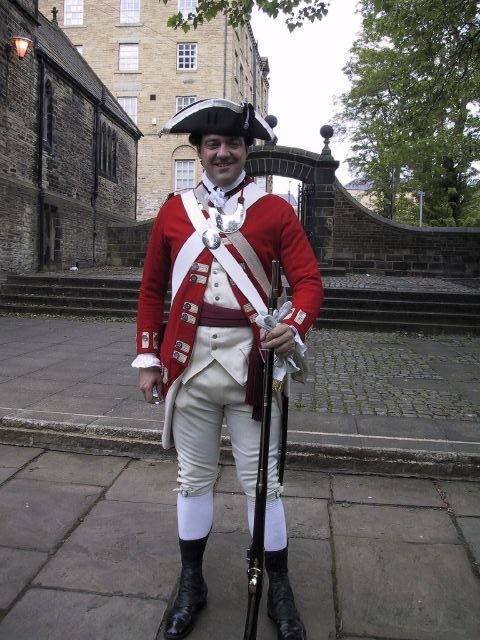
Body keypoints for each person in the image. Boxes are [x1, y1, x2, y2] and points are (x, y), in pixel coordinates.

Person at [133, 98, 323, 640]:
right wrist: (148, 359)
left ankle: (277, 586)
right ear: (198, 152)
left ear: (247, 151)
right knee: (191, 480)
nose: (222, 152)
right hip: (188, 365)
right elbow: (151, 289)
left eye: (233, 144)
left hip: (253, 368)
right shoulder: (174, 210)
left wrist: (296, 324)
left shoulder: (274, 211)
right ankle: (191, 583)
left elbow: (309, 282)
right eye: (212, 144)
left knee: (263, 484)